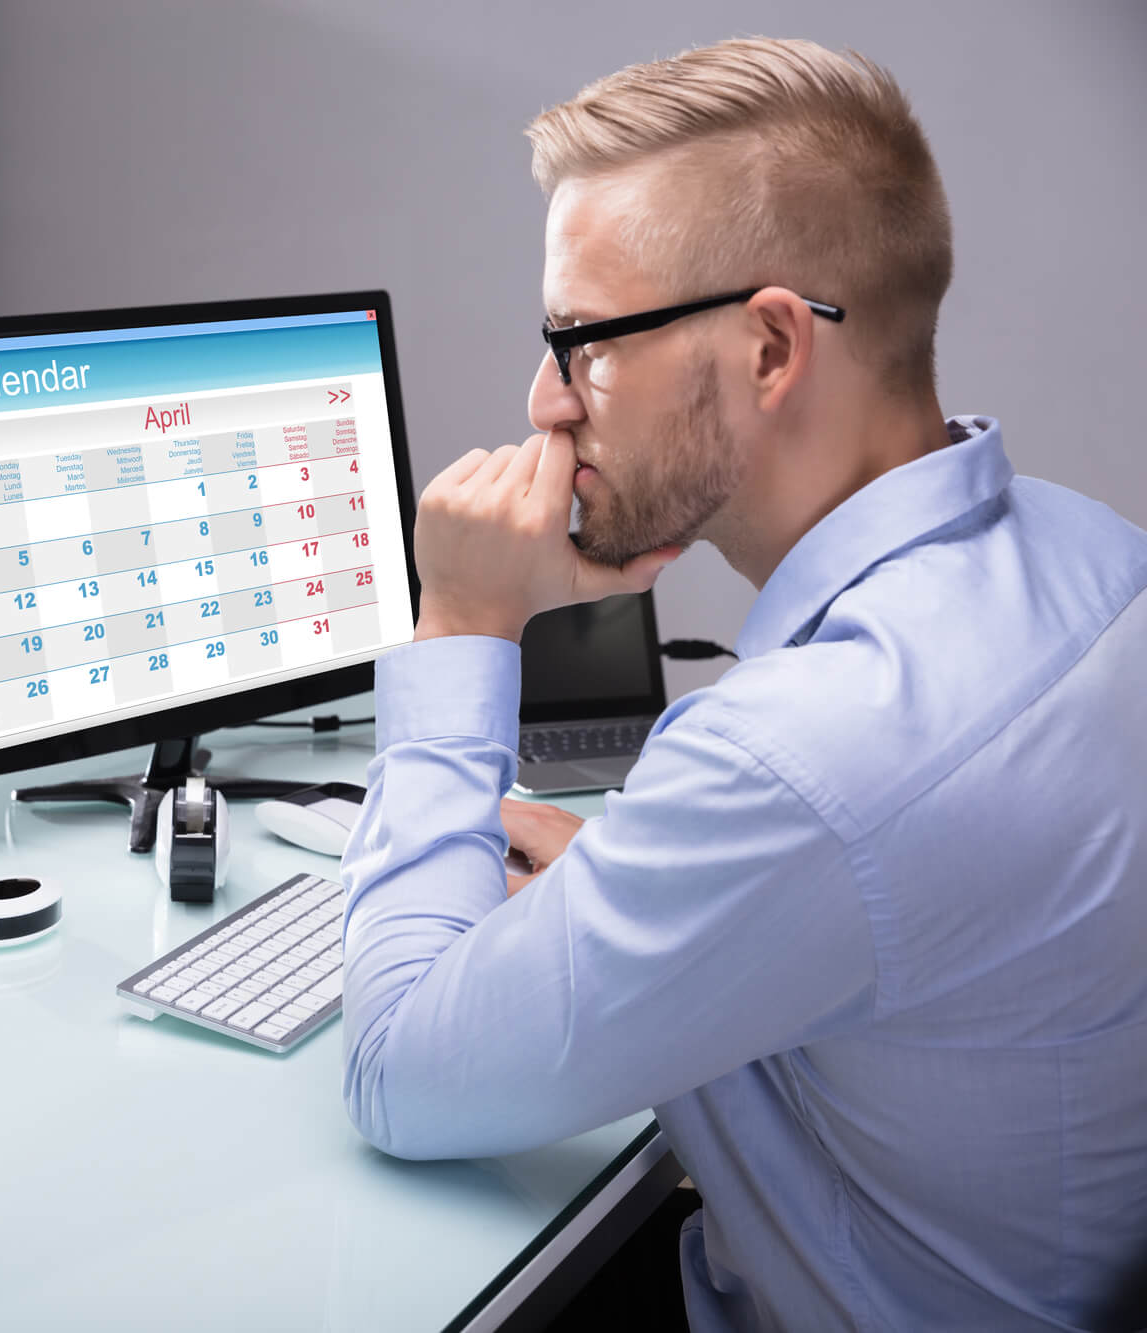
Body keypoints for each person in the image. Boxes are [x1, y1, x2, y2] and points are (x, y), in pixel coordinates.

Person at [339, 36, 1147, 1332]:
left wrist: (464, 622)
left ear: (773, 349)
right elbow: (869, 897)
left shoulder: (801, 764)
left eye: (584, 341)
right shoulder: (1100, 556)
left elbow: (393, 1067)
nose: (543, 401)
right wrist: (638, 884)